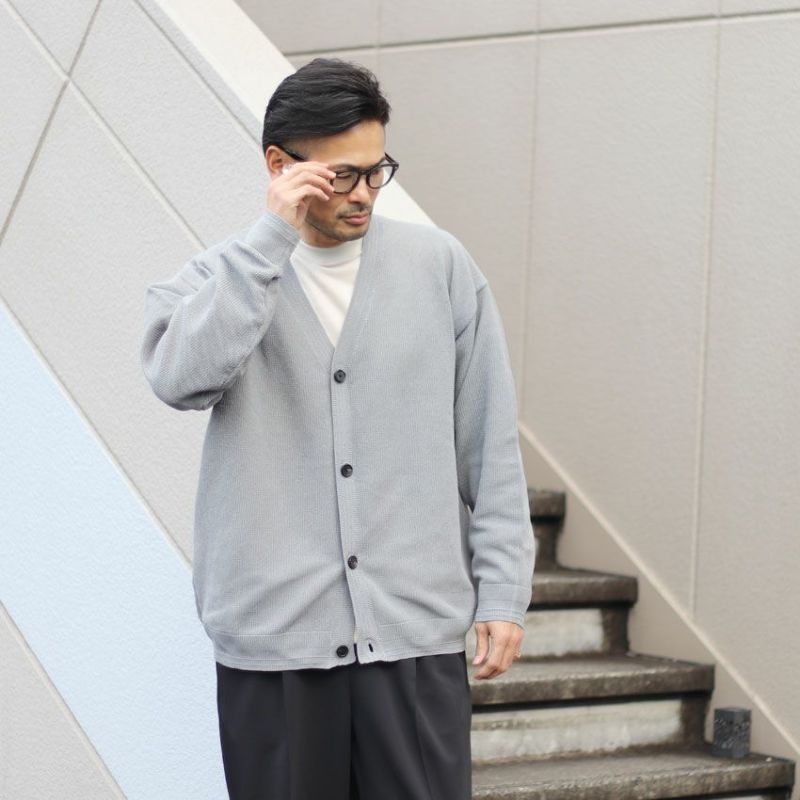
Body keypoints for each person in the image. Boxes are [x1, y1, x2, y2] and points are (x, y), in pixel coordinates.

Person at [140, 57, 535, 800]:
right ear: (280, 166)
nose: (364, 193)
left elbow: (489, 447)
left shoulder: (440, 267)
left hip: (413, 636)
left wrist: (503, 591)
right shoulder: (217, 278)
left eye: (376, 170)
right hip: (276, 644)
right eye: (342, 175)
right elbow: (180, 380)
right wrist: (269, 241)